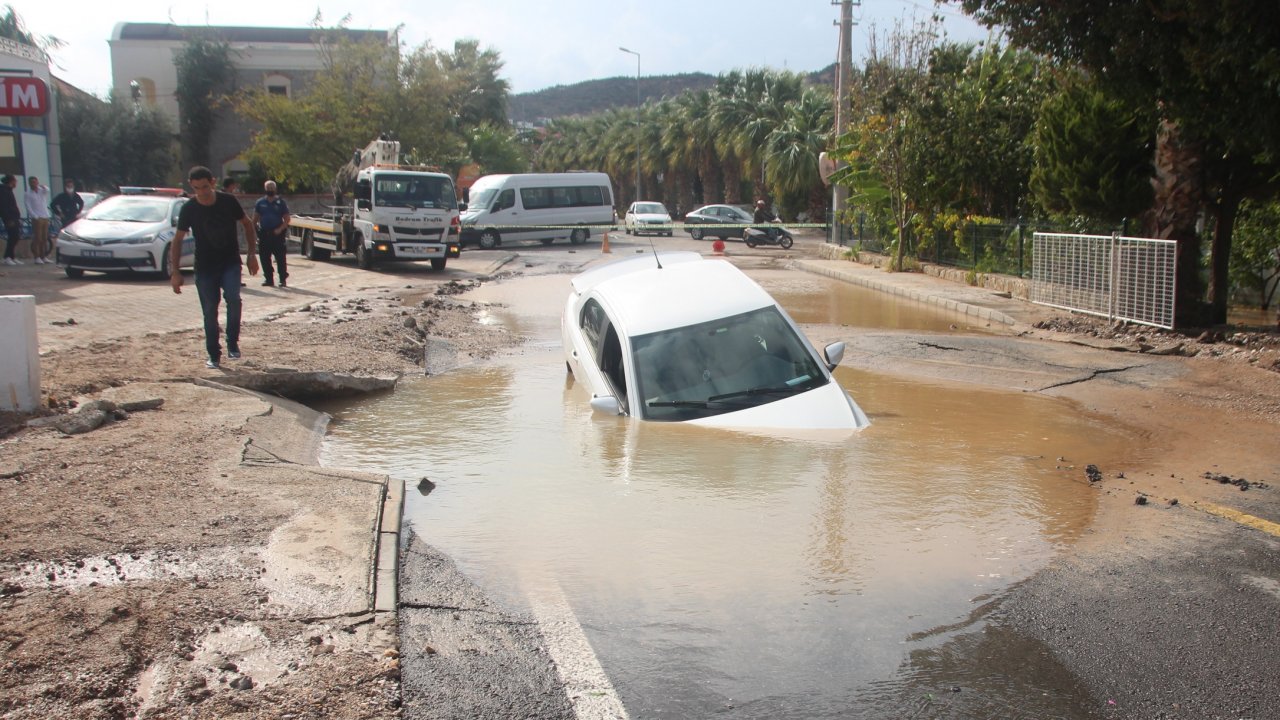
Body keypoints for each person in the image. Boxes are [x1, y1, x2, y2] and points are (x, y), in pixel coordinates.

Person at [170, 166, 259, 369]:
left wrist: (252, 254)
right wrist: (175, 271)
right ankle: (213, 353)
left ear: (212, 182)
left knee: (233, 299)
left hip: (229, 261)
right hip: (205, 266)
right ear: (191, 187)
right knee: (210, 309)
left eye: (205, 187)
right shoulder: (189, 208)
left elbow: (247, 224)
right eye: (196, 188)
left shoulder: (228, 201)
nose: (202, 192)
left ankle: (232, 342)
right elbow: (178, 240)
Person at [253, 180, 291, 287]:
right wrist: (255, 233)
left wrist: (280, 229)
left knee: (280, 258)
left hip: (277, 235)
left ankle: (282, 279)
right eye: (268, 188)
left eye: (272, 188)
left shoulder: (281, 203)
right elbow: (255, 219)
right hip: (264, 234)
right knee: (264, 258)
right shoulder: (260, 203)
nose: (270, 190)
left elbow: (287, 219)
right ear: (265, 189)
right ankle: (269, 279)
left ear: (275, 189)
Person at [25, 176, 52, 264]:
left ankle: (44, 256)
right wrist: (35, 216)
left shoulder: (41, 191)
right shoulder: (28, 193)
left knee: (44, 238)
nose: (33, 184)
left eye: (35, 182)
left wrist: (42, 186)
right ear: (29, 183)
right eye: (31, 182)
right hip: (37, 218)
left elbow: (47, 190)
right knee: (38, 238)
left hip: (45, 216)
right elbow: (28, 206)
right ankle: (37, 257)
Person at [0, 175, 21, 265]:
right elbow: (3, 206)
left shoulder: (9, 190)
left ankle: (11, 256)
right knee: (13, 236)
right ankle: (7, 257)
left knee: (15, 236)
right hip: (9, 218)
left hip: (14, 217)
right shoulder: (3, 191)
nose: (16, 183)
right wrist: (8, 219)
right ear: (11, 181)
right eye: (15, 181)